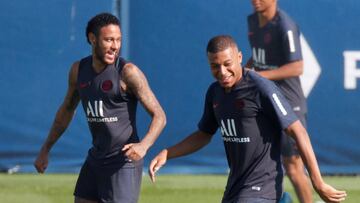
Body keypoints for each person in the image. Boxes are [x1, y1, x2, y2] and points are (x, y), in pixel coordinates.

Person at [149, 35, 346, 203]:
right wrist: (168, 153)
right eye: (215, 66)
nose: (223, 72)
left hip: (262, 187)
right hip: (235, 187)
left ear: (240, 57)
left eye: (227, 64)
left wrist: (317, 181)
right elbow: (204, 134)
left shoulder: (261, 88)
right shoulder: (215, 92)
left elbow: (297, 130)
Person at [34, 13, 166, 203]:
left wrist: (144, 145)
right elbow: (67, 110)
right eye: (109, 40)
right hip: (95, 159)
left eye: (119, 40)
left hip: (123, 162)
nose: (115, 46)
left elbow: (160, 116)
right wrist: (46, 148)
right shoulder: (78, 70)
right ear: (92, 39)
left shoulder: (128, 72)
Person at [246, 0, 312, 202]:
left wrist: (259, 76)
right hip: (265, 101)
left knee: (293, 167)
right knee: (267, 164)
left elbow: (297, 67)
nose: (256, 0)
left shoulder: (285, 25)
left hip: (289, 103)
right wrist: (242, 72)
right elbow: (258, 57)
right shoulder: (252, 21)